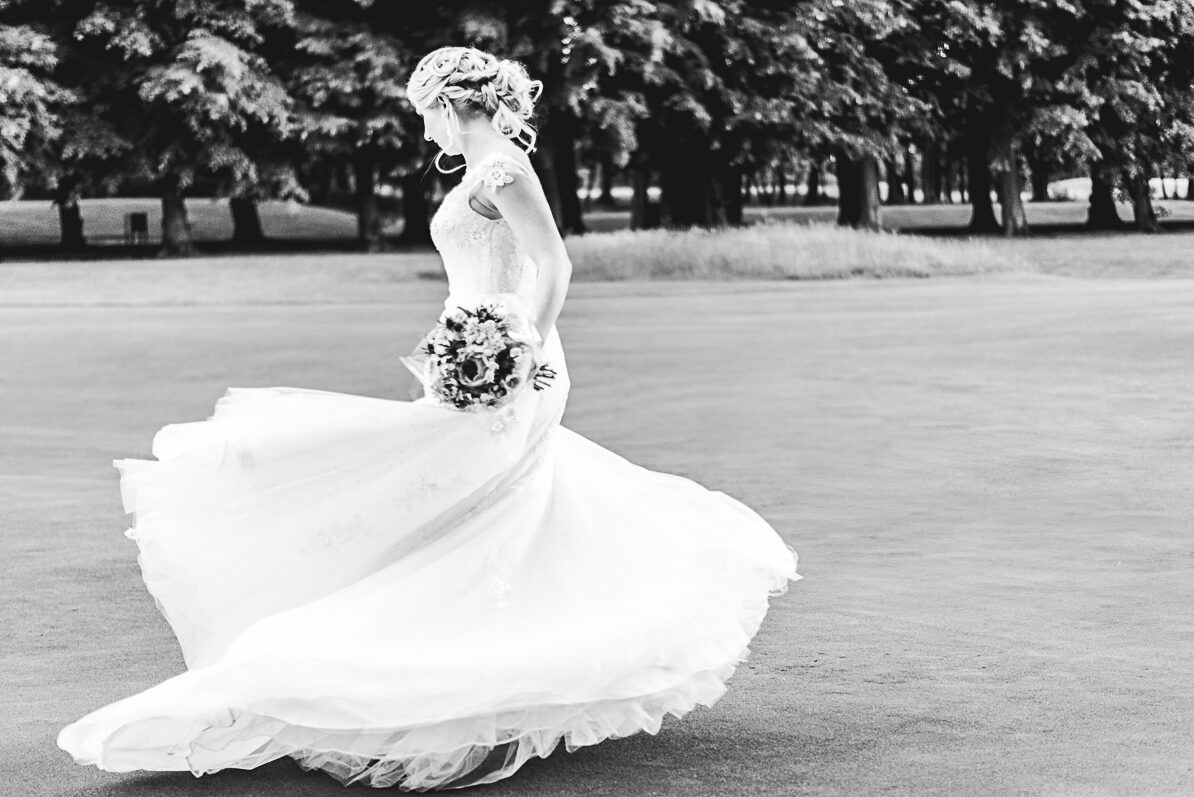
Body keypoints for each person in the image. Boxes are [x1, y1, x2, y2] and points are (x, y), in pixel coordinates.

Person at [56, 46, 800, 790]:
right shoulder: (483, 173)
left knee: (472, 502)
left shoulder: (504, 168)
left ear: (450, 105)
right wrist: (468, 347)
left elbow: (555, 263)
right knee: (464, 502)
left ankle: (458, 675)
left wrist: (523, 345)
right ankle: (469, 670)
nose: (424, 132)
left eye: (424, 116)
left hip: (513, 361)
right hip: (471, 355)